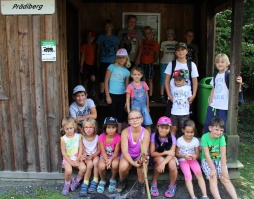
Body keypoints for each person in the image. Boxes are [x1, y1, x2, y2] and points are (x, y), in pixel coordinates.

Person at [204, 53, 242, 133]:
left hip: (224, 107)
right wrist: (210, 102)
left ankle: (221, 144)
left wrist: (240, 83)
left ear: (227, 63)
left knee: (222, 128)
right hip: (214, 106)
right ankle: (209, 144)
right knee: (209, 125)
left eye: (222, 62)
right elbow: (213, 89)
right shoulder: (215, 75)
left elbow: (236, 89)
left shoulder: (230, 75)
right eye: (217, 62)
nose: (220, 64)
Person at [201, 117, 238, 199]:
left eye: (221, 130)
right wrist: (213, 169)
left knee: (225, 179)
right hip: (207, 161)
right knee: (213, 178)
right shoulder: (204, 137)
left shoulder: (222, 138)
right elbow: (206, 155)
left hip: (219, 160)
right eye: (217, 129)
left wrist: (223, 170)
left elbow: (223, 154)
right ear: (210, 128)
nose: (219, 132)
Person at [115, 109, 150, 196]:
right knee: (123, 166)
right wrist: (133, 163)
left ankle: (141, 184)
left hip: (139, 155)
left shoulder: (145, 132)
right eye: (132, 118)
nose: (134, 120)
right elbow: (125, 151)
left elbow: (144, 151)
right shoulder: (125, 132)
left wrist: (142, 157)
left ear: (142, 119)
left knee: (143, 164)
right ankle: (122, 180)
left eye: (137, 118)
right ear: (129, 121)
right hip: (128, 155)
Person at [176, 120, 209, 199]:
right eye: (187, 132)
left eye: (191, 132)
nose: (189, 134)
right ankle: (193, 196)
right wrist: (183, 156)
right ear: (183, 130)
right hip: (183, 160)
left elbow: (197, 153)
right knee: (188, 176)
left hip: (192, 160)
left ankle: (204, 195)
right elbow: (176, 153)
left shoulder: (195, 140)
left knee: (199, 174)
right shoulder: (179, 140)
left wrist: (195, 156)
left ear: (194, 132)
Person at [164, 42, 199, 118]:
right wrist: (169, 96)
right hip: (173, 97)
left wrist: (193, 95)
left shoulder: (191, 65)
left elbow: (195, 82)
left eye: (182, 50)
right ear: (176, 52)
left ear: (186, 51)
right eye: (178, 50)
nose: (181, 52)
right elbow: (166, 81)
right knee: (172, 121)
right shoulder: (171, 64)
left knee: (185, 121)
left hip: (186, 98)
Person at [150, 116, 178, 198]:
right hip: (157, 156)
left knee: (172, 165)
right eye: (161, 127)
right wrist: (165, 152)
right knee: (160, 159)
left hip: (169, 157)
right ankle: (154, 182)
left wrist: (163, 163)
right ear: (157, 127)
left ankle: (173, 184)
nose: (164, 130)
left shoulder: (172, 138)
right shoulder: (154, 136)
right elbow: (152, 153)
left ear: (170, 128)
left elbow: (172, 153)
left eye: (166, 128)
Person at [104, 48, 131, 133]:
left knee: (120, 115)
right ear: (117, 58)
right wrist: (107, 95)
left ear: (126, 58)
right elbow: (106, 81)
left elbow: (127, 86)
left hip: (122, 94)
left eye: (123, 57)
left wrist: (127, 101)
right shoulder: (111, 67)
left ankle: (118, 133)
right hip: (112, 94)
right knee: (112, 114)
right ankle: (111, 132)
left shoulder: (127, 71)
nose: (121, 59)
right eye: (119, 57)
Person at [60, 117, 86, 196]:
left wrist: (78, 160)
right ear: (64, 129)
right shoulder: (63, 139)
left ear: (74, 127)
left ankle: (76, 181)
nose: (69, 130)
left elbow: (81, 148)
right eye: (67, 128)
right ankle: (67, 184)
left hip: (77, 158)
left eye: (71, 128)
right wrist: (70, 161)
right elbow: (63, 152)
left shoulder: (78, 136)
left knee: (83, 168)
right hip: (68, 159)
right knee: (68, 171)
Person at [97, 19, 119, 104]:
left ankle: (109, 95)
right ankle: (101, 95)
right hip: (103, 60)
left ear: (112, 27)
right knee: (102, 78)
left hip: (112, 61)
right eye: (106, 27)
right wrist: (97, 61)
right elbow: (98, 50)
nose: (107, 28)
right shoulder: (101, 37)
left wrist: (117, 62)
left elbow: (117, 50)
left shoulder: (115, 38)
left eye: (109, 26)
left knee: (111, 79)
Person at [97, 117, 121, 193]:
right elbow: (103, 152)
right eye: (109, 127)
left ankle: (113, 179)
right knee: (101, 166)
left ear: (116, 128)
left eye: (113, 127)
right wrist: (107, 160)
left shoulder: (118, 137)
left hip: (115, 156)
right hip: (104, 156)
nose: (111, 130)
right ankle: (103, 180)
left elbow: (116, 152)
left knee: (115, 164)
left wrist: (110, 160)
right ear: (105, 128)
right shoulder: (101, 137)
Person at [126, 66, 153, 133]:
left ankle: (148, 140)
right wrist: (129, 111)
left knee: (148, 124)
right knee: (135, 125)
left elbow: (147, 96)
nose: (137, 76)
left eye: (138, 74)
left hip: (144, 107)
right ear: (131, 75)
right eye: (134, 74)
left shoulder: (144, 84)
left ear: (141, 75)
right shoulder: (130, 86)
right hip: (135, 108)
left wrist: (147, 107)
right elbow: (127, 99)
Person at [79, 118, 100, 197]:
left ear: (94, 128)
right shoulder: (82, 138)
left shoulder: (97, 137)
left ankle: (95, 181)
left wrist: (93, 156)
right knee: (90, 164)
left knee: (95, 162)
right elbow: (83, 149)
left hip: (95, 155)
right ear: (83, 128)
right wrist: (84, 155)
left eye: (90, 127)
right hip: (86, 156)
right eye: (86, 127)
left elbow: (99, 150)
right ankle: (85, 182)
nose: (88, 129)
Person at [139, 26, 159, 102]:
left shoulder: (155, 43)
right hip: (142, 62)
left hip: (150, 63)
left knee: (150, 79)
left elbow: (157, 53)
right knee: (143, 79)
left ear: (152, 33)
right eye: (146, 33)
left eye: (149, 32)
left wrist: (154, 60)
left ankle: (150, 96)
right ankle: (144, 95)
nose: (148, 34)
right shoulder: (143, 42)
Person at [170, 69, 192, 136]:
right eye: (176, 80)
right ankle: (172, 142)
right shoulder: (173, 88)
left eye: (179, 80)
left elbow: (190, 98)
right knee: (173, 128)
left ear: (184, 80)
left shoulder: (188, 88)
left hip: (184, 112)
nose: (177, 82)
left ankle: (183, 143)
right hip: (174, 112)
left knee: (184, 128)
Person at [159, 29, 178, 104]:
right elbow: (161, 53)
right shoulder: (164, 43)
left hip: (173, 63)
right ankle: (161, 95)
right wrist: (159, 60)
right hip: (164, 62)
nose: (169, 37)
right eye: (168, 35)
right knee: (163, 79)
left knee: (173, 79)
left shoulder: (176, 43)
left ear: (174, 36)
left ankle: (170, 95)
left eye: (171, 35)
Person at [80, 31, 97, 97]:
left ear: (94, 38)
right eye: (88, 37)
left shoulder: (95, 46)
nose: (90, 39)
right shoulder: (84, 46)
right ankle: (84, 93)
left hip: (93, 65)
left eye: (91, 37)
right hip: (86, 64)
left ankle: (92, 93)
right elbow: (83, 56)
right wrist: (81, 65)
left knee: (93, 79)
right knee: (85, 80)